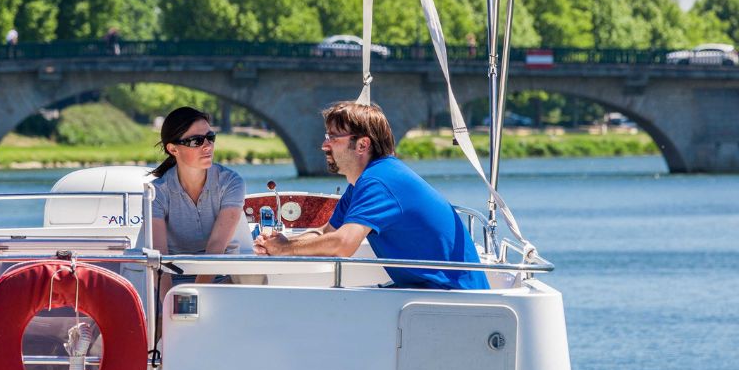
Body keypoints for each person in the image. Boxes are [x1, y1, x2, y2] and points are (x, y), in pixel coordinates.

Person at [254, 101, 488, 290]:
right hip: (433, 291)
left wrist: (286, 249)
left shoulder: (378, 181)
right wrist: (278, 243)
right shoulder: (364, 182)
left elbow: (343, 244)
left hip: (454, 298)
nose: (325, 146)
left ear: (362, 145)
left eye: (333, 138)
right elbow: (326, 232)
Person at [150, 107, 246, 298]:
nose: (208, 146)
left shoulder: (231, 183)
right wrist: (168, 303)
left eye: (210, 137)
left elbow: (216, 247)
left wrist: (194, 297)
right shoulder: (156, 192)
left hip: (222, 276)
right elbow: (159, 257)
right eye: (197, 141)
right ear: (173, 149)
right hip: (171, 281)